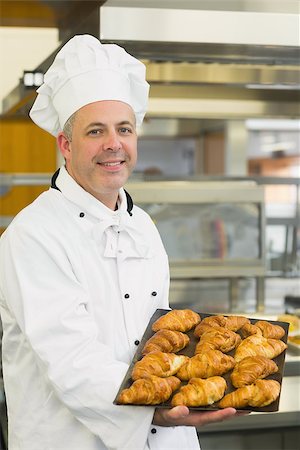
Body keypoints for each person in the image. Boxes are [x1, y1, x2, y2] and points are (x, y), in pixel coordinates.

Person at [0, 35, 239, 450]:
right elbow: (71, 358)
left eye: (124, 129)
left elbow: (153, 333)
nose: (114, 144)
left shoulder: (142, 224)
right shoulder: (33, 234)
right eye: (96, 131)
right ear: (66, 144)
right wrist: (153, 408)